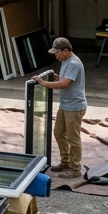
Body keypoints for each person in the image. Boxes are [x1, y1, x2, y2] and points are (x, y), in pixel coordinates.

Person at [33, 37, 87, 176]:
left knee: (73, 138)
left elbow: (65, 84)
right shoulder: (65, 61)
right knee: (58, 132)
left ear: (66, 50)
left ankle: (75, 169)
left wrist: (44, 83)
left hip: (74, 107)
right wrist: (57, 78)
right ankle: (65, 161)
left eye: (57, 52)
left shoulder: (73, 63)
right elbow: (65, 80)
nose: (55, 55)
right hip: (65, 105)